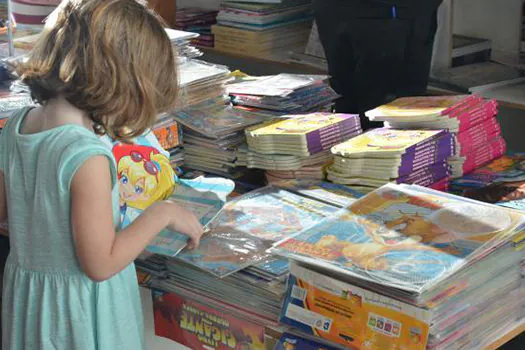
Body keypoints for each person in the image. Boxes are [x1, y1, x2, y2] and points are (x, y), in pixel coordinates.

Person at [0, 1, 204, 349]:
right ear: (122, 81)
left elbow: (5, 215)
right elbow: (100, 263)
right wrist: (163, 213)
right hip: (80, 315)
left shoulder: (15, 126)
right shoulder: (87, 155)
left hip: (31, 305)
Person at [313, 0, 444, 129]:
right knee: (388, 110)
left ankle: (351, 137)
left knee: (349, 101)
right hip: (387, 14)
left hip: (342, 11)